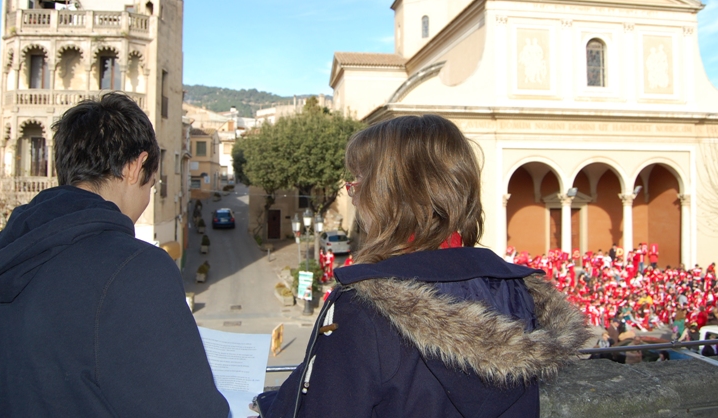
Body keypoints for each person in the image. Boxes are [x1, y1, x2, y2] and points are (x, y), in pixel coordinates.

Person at [253, 115, 590, 417]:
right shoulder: (518, 289)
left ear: (390, 195)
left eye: (358, 180)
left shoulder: (362, 306)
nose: (352, 195)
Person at [0, 93, 229, 418]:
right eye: (151, 187)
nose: (145, 203)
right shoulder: (136, 269)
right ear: (136, 167)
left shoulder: (1, 266)